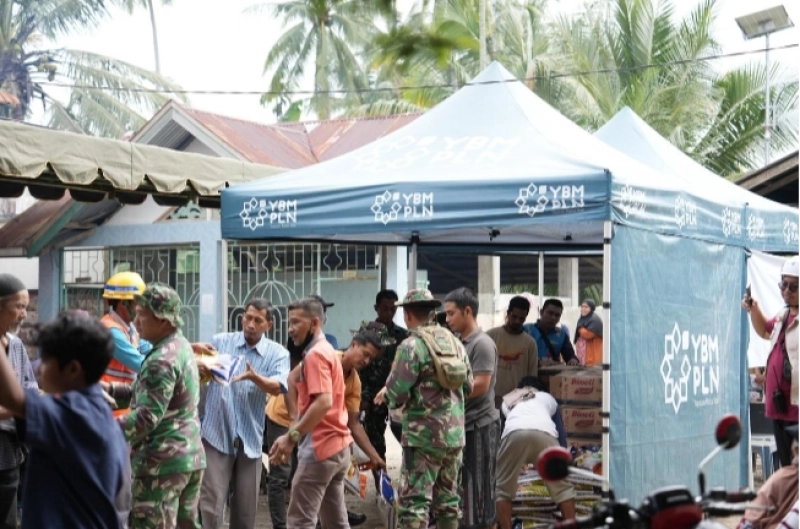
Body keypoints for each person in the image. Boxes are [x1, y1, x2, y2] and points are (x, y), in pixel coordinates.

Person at [0, 312, 132, 529]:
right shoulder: (92, 408)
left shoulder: (74, 415)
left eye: (47, 362)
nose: (40, 370)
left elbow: (12, 398)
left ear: (72, 369)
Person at [106, 284, 206, 529]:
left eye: (143, 315)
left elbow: (146, 417)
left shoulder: (161, 359)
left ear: (163, 321)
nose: (136, 321)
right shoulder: (179, 346)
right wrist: (111, 390)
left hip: (161, 466)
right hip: (188, 458)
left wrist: (101, 428)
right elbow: (157, 395)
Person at [285, 323, 393, 527]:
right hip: (297, 428)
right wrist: (293, 421)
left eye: (371, 358)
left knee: (326, 517)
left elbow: (354, 424)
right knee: (309, 514)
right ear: (353, 344)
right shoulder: (325, 357)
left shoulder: (354, 381)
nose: (366, 361)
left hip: (326, 447)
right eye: (365, 354)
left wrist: (375, 458)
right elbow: (291, 380)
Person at [382, 289, 473, 529]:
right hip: (454, 437)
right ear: (432, 312)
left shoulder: (411, 346)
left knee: (414, 503)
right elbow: (469, 386)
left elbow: (395, 393)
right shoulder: (455, 343)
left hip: (423, 439)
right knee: (448, 502)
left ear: (407, 314)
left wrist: (390, 396)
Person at [196, 299, 289, 529]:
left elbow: (278, 386)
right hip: (216, 434)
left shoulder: (277, 353)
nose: (251, 324)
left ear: (268, 325)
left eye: (258, 320)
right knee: (210, 506)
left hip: (250, 441)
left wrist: (254, 377)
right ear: (242, 318)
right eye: (248, 317)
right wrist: (201, 367)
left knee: (246, 513)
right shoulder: (220, 342)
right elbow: (201, 376)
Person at [268, 297, 352, 529]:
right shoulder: (324, 351)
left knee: (299, 522)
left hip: (320, 450)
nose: (291, 329)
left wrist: (292, 436)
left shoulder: (316, 356)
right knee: (336, 522)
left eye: (296, 322)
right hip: (338, 450)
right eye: (289, 322)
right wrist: (294, 419)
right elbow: (290, 379)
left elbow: (324, 401)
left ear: (314, 323)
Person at [444, 287, 500, 529]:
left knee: (481, 487)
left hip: (480, 425)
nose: (447, 320)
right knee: (465, 486)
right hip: (463, 425)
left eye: (451, 314)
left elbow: (480, 385)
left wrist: (443, 394)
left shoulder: (482, 344)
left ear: (468, 311)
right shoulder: (458, 342)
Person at [495, 376, 575, 529]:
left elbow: (502, 436)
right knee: (563, 489)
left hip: (514, 432)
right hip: (545, 432)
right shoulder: (547, 398)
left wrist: (515, 463)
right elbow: (561, 436)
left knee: (503, 490)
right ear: (541, 390)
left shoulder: (508, 399)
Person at [743, 256, 798, 467]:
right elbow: (765, 330)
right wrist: (753, 308)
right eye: (783, 284)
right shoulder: (784, 315)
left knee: (795, 470)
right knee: (787, 468)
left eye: (793, 286)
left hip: (796, 408)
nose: (786, 290)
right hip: (779, 405)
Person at [359, 290, 408, 486]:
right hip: (372, 397)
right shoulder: (366, 334)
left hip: (397, 397)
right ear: (376, 308)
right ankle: (382, 485)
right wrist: (363, 397)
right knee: (375, 444)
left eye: (393, 309)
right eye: (385, 308)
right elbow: (360, 369)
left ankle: (406, 482)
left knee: (407, 440)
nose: (389, 312)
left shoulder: (402, 335)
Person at [0, 274, 37, 529]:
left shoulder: (15, 346)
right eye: (19, 306)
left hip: (9, 453)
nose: (24, 314)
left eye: (26, 307)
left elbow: (30, 389)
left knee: (9, 521)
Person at [100, 271, 153, 417]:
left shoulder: (129, 329)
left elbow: (152, 349)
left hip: (121, 406)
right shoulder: (110, 331)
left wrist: (188, 349)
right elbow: (140, 363)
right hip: (108, 409)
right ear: (123, 303)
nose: (142, 308)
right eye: (138, 303)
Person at [737, 425, 798, 529]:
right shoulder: (785, 476)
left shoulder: (786, 476)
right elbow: (750, 518)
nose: (794, 460)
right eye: (794, 453)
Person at [486, 296, 539, 409]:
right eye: (514, 316)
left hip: (516, 404)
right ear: (508, 313)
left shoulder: (530, 343)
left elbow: (531, 380)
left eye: (521, 318)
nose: (517, 321)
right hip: (489, 401)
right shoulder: (490, 336)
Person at [524, 299, 580, 366]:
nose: (553, 318)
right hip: (528, 373)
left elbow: (569, 354)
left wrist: (572, 360)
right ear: (541, 312)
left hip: (552, 375)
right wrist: (538, 363)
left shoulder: (562, 335)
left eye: (557, 315)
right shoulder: (526, 330)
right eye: (550, 313)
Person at [574, 299, 603, 367]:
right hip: (585, 355)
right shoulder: (583, 318)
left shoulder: (594, 320)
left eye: (586, 307)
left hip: (592, 355)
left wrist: (580, 329)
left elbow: (589, 334)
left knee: (591, 372)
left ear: (591, 308)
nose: (583, 309)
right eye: (582, 306)